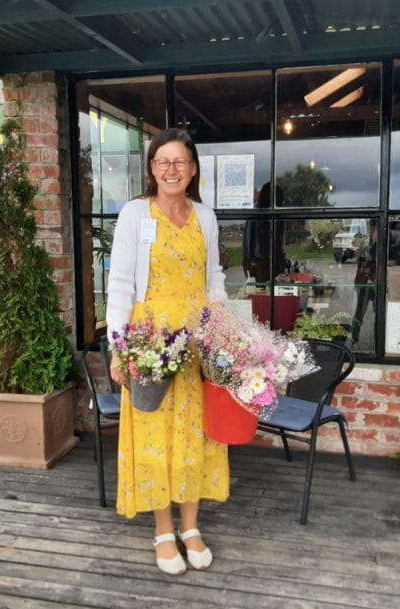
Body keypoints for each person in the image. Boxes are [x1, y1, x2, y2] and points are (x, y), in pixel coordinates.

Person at [106, 128, 229, 576]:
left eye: (180, 162)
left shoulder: (205, 216)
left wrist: (222, 331)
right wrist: (119, 348)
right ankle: (163, 529)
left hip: (197, 340)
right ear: (152, 169)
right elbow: (119, 283)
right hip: (151, 340)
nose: (172, 170)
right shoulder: (136, 215)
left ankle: (191, 526)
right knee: (155, 430)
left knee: (198, 431)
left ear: (193, 169)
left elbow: (214, 276)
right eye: (163, 162)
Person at [350, 220, 377, 346]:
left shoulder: (385, 246)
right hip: (364, 284)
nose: (376, 233)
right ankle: (354, 338)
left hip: (377, 283)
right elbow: (358, 259)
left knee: (380, 313)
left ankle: (379, 340)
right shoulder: (366, 246)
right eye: (375, 230)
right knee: (359, 313)